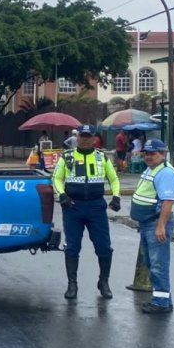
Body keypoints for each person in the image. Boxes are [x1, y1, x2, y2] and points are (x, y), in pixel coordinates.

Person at [51, 124, 122, 300]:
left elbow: (113, 179)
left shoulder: (101, 157)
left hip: (96, 207)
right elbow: (56, 178)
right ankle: (72, 284)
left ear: (94, 138)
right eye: (82, 136)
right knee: (72, 247)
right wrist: (62, 195)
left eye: (88, 136)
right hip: (73, 207)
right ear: (78, 137)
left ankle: (103, 282)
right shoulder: (67, 157)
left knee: (104, 247)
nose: (85, 139)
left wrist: (116, 196)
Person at [130, 138, 174, 314]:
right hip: (147, 223)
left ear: (162, 153)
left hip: (155, 223)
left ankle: (161, 303)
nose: (148, 157)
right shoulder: (151, 169)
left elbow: (167, 201)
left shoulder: (165, 172)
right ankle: (163, 299)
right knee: (151, 263)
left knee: (158, 264)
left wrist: (160, 226)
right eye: (146, 153)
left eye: (153, 153)